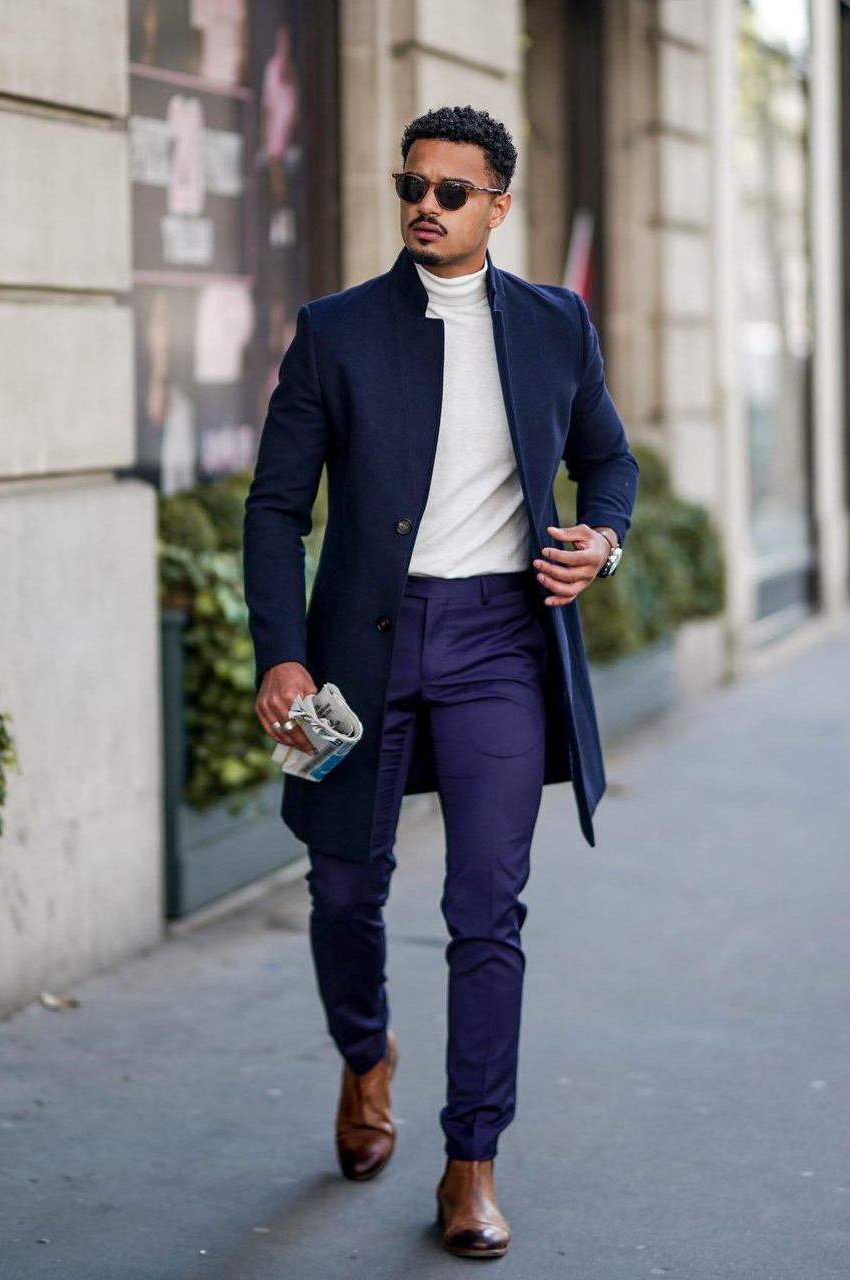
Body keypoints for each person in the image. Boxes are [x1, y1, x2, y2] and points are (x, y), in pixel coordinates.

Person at [242, 105, 638, 1259]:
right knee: (343, 889)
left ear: (497, 207)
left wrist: (600, 542)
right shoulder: (336, 330)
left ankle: (471, 1161)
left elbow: (604, 459)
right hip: (357, 652)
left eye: (452, 190)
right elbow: (274, 508)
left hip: (499, 645)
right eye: (410, 182)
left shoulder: (557, 324)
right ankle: (366, 1054)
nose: (425, 202)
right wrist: (282, 649)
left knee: (485, 907)